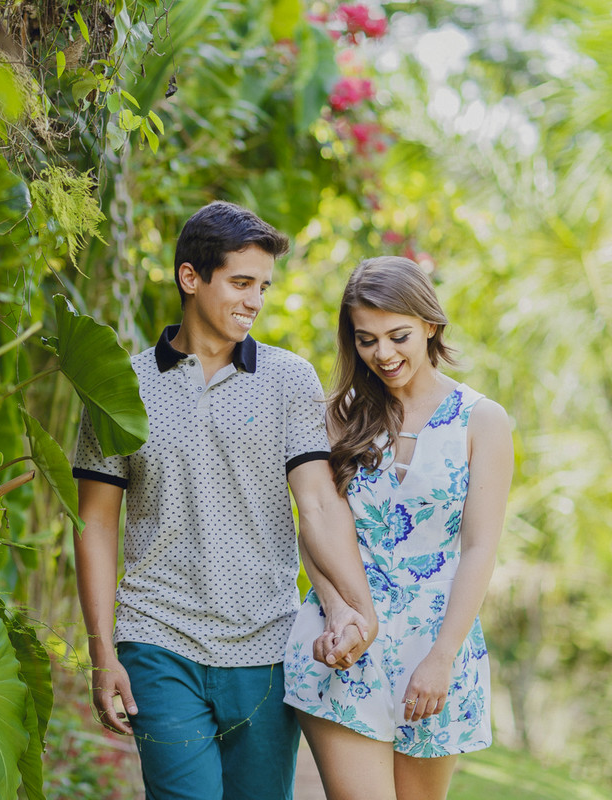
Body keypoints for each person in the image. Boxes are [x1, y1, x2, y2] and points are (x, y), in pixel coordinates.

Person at [71, 200, 378, 800]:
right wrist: (102, 651)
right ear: (191, 278)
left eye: (262, 286)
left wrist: (350, 608)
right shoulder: (119, 385)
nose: (255, 301)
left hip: (266, 645)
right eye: (241, 282)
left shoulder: (290, 380)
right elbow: (95, 524)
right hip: (157, 640)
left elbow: (315, 505)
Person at [283, 256, 514, 800]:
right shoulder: (335, 416)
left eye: (398, 335)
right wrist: (339, 613)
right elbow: (313, 527)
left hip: (438, 645)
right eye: (366, 340)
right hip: (344, 638)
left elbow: (480, 548)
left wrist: (441, 658)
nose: (383, 354)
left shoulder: (481, 419)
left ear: (430, 325)